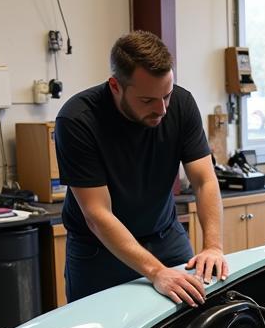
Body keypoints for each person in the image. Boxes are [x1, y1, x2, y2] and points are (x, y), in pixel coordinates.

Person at [54, 30, 228, 305]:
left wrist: (213, 247)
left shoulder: (181, 104)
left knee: (192, 321)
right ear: (115, 86)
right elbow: (97, 214)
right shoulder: (77, 120)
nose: (161, 109)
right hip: (100, 250)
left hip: (165, 236)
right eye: (147, 100)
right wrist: (156, 272)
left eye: (166, 95)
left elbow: (205, 181)